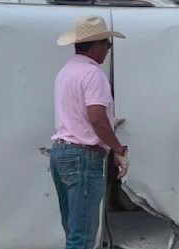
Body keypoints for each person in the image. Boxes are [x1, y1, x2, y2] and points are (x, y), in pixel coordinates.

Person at [50, 15, 130, 249]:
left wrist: (109, 122)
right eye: (107, 44)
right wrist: (117, 148)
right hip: (83, 156)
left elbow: (79, 115)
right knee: (83, 236)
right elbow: (96, 118)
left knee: (73, 231)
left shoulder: (66, 72)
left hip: (62, 153)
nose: (108, 50)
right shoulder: (93, 74)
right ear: (96, 45)